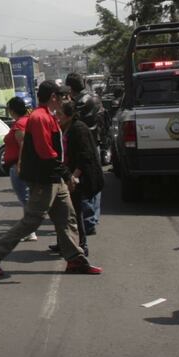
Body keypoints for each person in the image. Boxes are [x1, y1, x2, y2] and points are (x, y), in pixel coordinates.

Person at [0, 81, 102, 278]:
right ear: (54, 97)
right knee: (31, 222)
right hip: (45, 179)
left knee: (67, 217)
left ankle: (74, 259)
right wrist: (67, 175)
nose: (66, 100)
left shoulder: (48, 116)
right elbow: (47, 153)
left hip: (53, 178)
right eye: (63, 96)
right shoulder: (40, 118)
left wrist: (64, 175)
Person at [55, 101, 104, 257]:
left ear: (69, 116)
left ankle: (82, 245)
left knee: (75, 212)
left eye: (60, 114)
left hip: (79, 177)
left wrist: (73, 178)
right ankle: (64, 243)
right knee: (64, 212)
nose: (57, 117)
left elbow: (85, 156)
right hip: (69, 174)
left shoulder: (79, 129)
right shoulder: (66, 127)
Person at [66, 72, 105, 235]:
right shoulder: (95, 97)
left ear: (70, 87)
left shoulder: (79, 102)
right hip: (95, 141)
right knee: (94, 180)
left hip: (84, 144)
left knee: (86, 183)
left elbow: (75, 122)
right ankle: (93, 218)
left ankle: (88, 222)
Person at [2, 96, 36, 241]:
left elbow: (23, 145)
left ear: (12, 109)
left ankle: (30, 230)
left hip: (18, 165)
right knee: (26, 198)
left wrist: (20, 165)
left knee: (25, 198)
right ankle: (30, 229)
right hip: (21, 165)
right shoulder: (25, 121)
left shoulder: (20, 124)